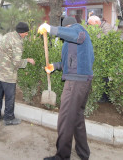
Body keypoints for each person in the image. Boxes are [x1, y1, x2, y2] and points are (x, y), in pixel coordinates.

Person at [38, 16, 94, 160]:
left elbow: (77, 35)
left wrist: (50, 28)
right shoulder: (74, 44)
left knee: (65, 118)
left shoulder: (78, 30)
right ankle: (83, 153)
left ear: (67, 27)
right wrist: (54, 67)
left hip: (76, 82)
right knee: (76, 118)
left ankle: (62, 156)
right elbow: (69, 63)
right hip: (82, 81)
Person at [0, 22, 35, 126]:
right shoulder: (17, 42)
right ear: (22, 33)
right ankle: (9, 118)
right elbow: (17, 63)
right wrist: (28, 60)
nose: (27, 35)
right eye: (26, 33)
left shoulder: (8, 35)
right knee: (10, 97)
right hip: (7, 74)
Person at [87, 14, 112, 102]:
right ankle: (101, 96)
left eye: (91, 24)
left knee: (104, 77)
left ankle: (106, 97)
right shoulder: (98, 28)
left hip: (105, 57)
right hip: (98, 56)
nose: (90, 26)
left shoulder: (106, 27)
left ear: (97, 22)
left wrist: (93, 36)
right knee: (99, 77)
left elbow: (105, 38)